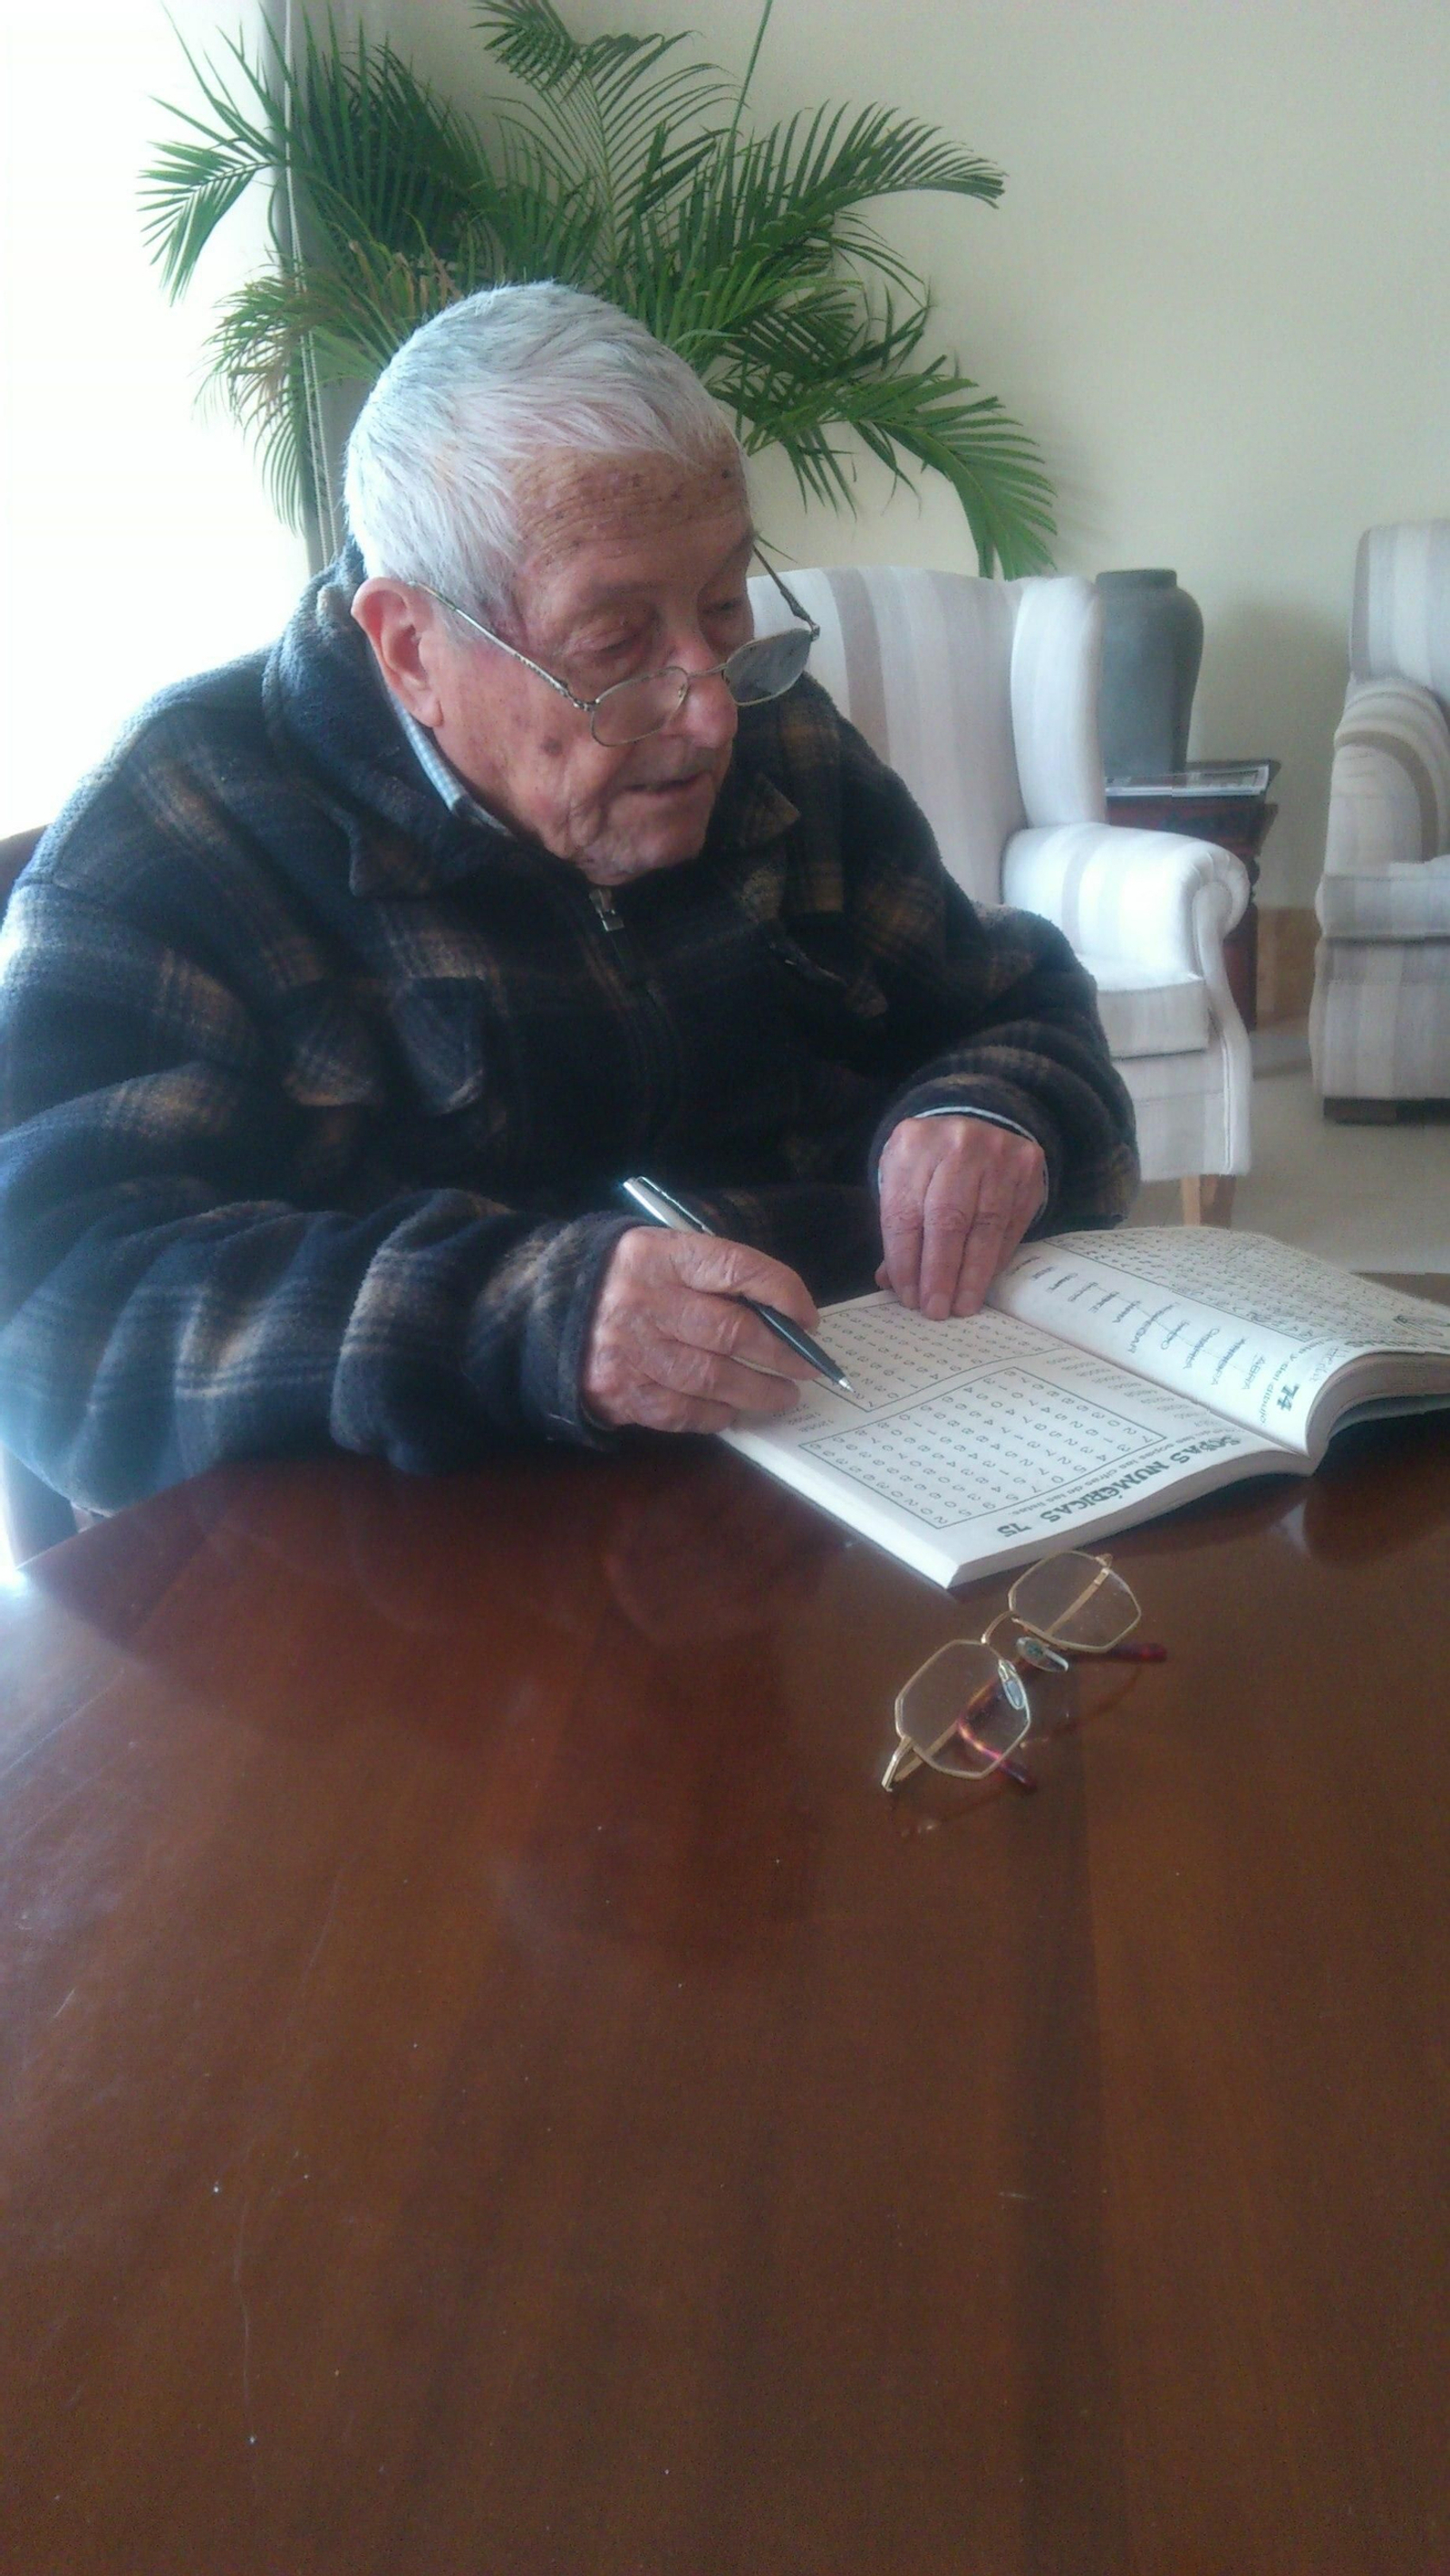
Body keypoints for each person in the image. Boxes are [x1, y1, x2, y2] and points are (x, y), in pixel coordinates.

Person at [0, 285, 1136, 1513]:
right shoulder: (182, 830)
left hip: (862, 1467)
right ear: (411, 650)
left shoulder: (774, 735)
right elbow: (54, 1315)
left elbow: (1008, 1005)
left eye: (723, 605)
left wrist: (997, 1111)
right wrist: (530, 1318)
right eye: (614, 644)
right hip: (408, 1576)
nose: (708, 710)